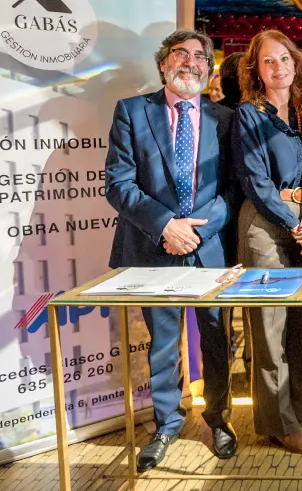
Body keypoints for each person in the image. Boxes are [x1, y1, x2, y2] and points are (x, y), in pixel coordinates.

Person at [104, 29, 236, 472]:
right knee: (162, 343)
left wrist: (198, 229)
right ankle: (166, 424)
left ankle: (218, 417)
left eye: (200, 56)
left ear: (209, 69)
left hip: (208, 247)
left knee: (216, 338)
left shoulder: (225, 118)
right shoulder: (131, 111)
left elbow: (234, 188)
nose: (190, 62)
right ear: (163, 64)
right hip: (153, 245)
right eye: (180, 54)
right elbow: (118, 184)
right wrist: (165, 226)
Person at [232, 30, 302, 453]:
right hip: (265, 226)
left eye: (284, 58)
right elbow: (255, 181)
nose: (278, 67)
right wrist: (294, 223)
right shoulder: (248, 114)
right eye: (268, 61)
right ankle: (278, 422)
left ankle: (298, 412)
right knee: (270, 328)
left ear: (295, 63)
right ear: (256, 69)